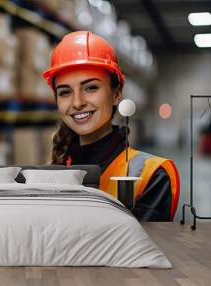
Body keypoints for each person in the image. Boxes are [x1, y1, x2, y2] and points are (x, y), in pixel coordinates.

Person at [42, 31, 180, 221]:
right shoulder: (49, 175)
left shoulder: (152, 174)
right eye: (65, 92)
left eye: (91, 87)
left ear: (116, 93)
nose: (77, 102)